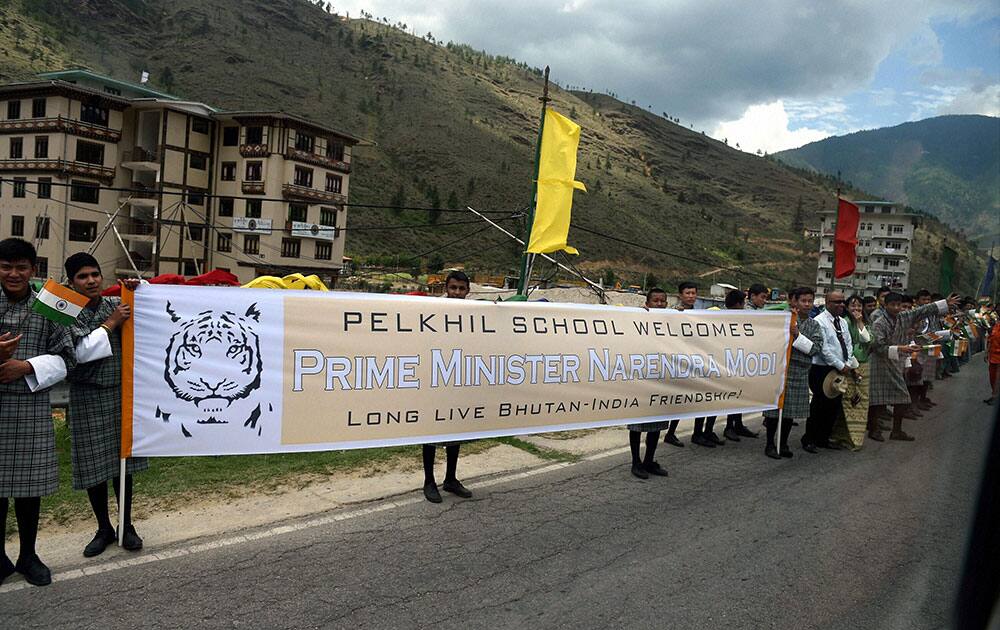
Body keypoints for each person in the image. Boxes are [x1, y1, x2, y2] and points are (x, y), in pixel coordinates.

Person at [0, 238, 76, 587]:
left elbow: (68, 357)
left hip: (29, 406)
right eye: (5, 266)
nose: (13, 274)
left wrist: (25, 366)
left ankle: (28, 555)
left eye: (21, 267)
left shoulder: (51, 306)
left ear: (33, 270)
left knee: (28, 489)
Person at [63, 253, 147, 556]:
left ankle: (127, 525)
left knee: (123, 464)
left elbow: (149, 311)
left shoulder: (117, 303)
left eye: (95, 275)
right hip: (87, 394)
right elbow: (78, 353)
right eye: (83, 277)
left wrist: (140, 289)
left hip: (120, 394)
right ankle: (103, 527)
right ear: (71, 282)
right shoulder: (66, 313)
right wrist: (111, 324)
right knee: (94, 465)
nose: (91, 281)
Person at [869, 291, 959, 441]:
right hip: (879, 362)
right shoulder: (879, 322)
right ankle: (874, 429)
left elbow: (921, 310)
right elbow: (877, 346)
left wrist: (944, 303)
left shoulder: (904, 317)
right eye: (893, 305)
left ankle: (896, 431)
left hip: (896, 361)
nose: (897, 308)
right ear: (885, 305)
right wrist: (900, 348)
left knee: (901, 397)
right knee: (878, 399)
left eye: (899, 305)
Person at [422, 271, 474, 503]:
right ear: (446, 287)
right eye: (453, 288)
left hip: (458, 381)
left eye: (461, 289)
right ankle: (429, 481)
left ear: (467, 291)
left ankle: (451, 479)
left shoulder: (473, 314)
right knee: (431, 433)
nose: (457, 293)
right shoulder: (433, 310)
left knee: (455, 430)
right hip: (435, 380)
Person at [763, 287, 823, 459]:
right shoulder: (783, 319)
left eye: (810, 301)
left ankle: (783, 443)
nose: (806, 304)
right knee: (774, 411)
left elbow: (816, 348)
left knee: (789, 413)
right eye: (803, 300)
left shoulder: (814, 325)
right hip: (779, 369)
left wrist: (798, 335)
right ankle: (769, 444)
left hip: (799, 371)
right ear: (794, 301)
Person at [803, 290, 855, 453]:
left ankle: (823, 438)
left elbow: (848, 344)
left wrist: (847, 363)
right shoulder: (819, 321)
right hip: (822, 368)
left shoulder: (843, 322)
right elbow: (823, 350)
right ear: (827, 303)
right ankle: (809, 438)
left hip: (840, 368)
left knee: (834, 405)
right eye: (836, 302)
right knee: (819, 405)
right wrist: (840, 365)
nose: (841, 305)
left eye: (842, 301)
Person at [626, 288, 671, 479]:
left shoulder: (672, 323)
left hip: (661, 381)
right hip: (640, 380)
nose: (659, 304)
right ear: (647, 303)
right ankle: (636, 462)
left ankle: (649, 460)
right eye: (655, 301)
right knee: (637, 425)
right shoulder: (636, 321)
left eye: (663, 301)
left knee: (656, 425)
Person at [661, 281, 699, 448]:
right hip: (672, 362)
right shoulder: (672, 311)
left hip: (688, 362)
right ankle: (663, 431)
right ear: (680, 295)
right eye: (687, 293)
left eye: (693, 293)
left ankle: (671, 433)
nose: (691, 296)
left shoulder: (699, 314)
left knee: (681, 400)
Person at [831, 295, 871, 449]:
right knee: (848, 402)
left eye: (859, 306)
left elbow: (868, 340)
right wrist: (853, 368)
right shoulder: (844, 323)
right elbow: (845, 349)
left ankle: (852, 438)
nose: (856, 309)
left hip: (864, 366)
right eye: (853, 306)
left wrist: (860, 321)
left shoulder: (864, 322)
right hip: (850, 367)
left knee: (860, 401)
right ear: (847, 308)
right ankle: (843, 436)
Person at [723, 289, 758, 441]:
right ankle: (729, 427)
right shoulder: (722, 318)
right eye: (743, 303)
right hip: (727, 362)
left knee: (738, 395)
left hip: (738, 362)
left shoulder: (742, 317)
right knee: (731, 397)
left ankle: (737, 424)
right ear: (738, 304)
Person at [985, 310, 1000, 405]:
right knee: (993, 377)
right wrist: (987, 352)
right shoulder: (996, 326)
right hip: (993, 356)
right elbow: (991, 339)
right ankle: (994, 395)